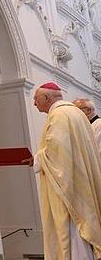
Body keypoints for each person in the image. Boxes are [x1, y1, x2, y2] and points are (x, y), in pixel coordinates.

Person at [31, 83, 101, 259]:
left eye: (35, 99)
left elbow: (57, 152)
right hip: (81, 181)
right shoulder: (76, 113)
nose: (34, 103)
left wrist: (37, 159)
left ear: (47, 98)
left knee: (71, 233)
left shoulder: (59, 115)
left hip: (69, 190)